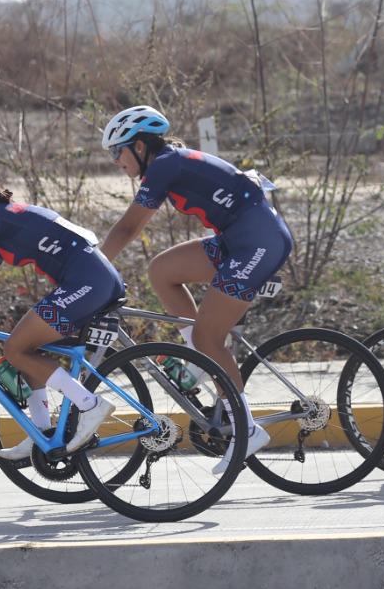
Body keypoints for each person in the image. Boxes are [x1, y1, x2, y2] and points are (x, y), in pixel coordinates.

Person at [97, 105, 291, 473]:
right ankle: (197, 353)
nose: (115, 162)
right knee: (162, 271)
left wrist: (92, 268)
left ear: (139, 146)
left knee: (210, 338)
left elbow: (127, 229)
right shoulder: (166, 162)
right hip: (239, 239)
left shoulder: (166, 166)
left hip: (257, 243)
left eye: (116, 152)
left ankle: (245, 428)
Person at [0, 154, 124, 462]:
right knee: (27, 351)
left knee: (16, 349)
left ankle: (90, 405)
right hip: (92, 278)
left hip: (89, 281)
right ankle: (42, 432)